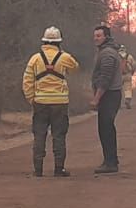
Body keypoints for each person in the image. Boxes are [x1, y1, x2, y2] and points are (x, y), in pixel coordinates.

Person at [22, 26, 79, 177]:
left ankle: (38, 170)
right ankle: (59, 169)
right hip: (60, 104)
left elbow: (27, 81)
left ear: (44, 41)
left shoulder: (35, 58)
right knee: (59, 136)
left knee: (39, 135)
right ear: (59, 42)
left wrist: (31, 99)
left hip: (40, 103)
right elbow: (75, 68)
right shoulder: (65, 57)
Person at [90, 25, 123, 174]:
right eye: (95, 35)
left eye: (99, 36)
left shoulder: (107, 53)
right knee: (106, 128)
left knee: (106, 128)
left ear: (106, 37)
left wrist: (97, 98)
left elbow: (105, 79)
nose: (95, 38)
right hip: (110, 94)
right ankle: (111, 160)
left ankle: (110, 163)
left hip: (109, 95)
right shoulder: (106, 51)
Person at [118, 44, 136, 109]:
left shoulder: (116, 56)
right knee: (128, 89)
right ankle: (127, 101)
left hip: (119, 75)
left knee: (118, 89)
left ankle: (118, 103)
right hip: (128, 74)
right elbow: (134, 65)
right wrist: (132, 72)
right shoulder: (129, 56)